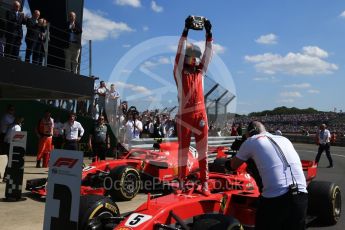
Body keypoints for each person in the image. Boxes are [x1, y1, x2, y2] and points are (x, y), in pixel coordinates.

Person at [231, 121, 308, 230]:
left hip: (275, 198)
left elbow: (233, 165)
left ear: (249, 133)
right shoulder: (284, 139)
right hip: (301, 194)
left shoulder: (251, 141)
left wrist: (243, 148)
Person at [173, 16, 213, 195]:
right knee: (183, 150)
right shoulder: (178, 71)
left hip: (201, 116)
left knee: (203, 151)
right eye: (192, 56)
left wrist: (209, 34)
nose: (196, 59)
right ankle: (181, 182)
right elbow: (179, 52)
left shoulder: (201, 72)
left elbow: (208, 54)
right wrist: (185, 31)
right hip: (185, 116)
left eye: (196, 56)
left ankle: (204, 183)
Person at [2, 116, 24, 182]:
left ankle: (6, 177)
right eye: (21, 122)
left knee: (10, 162)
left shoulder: (10, 126)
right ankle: (6, 177)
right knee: (11, 162)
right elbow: (17, 138)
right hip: (12, 145)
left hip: (6, 144)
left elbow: (6, 137)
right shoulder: (17, 127)